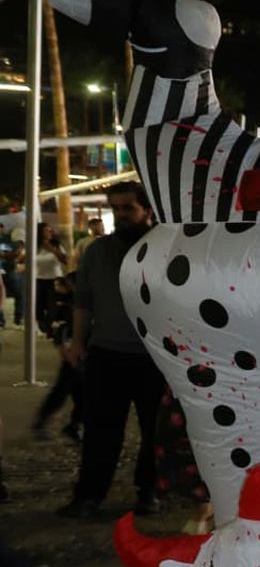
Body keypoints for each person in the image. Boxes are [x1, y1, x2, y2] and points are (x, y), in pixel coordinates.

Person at [58, 180, 165, 518]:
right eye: (115, 208)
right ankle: (89, 495)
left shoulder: (166, 248)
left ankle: (149, 491)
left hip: (155, 357)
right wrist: (77, 341)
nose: (120, 215)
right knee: (100, 430)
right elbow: (83, 301)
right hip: (106, 353)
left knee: (155, 431)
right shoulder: (97, 251)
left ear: (146, 210)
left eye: (127, 208)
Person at [33, 267, 84, 442]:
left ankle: (73, 425)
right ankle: (43, 421)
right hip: (74, 354)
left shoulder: (76, 302)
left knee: (80, 394)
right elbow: (60, 331)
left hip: (80, 354)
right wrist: (66, 351)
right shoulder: (70, 304)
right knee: (63, 392)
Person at [33, 221, 67, 332]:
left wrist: (52, 250)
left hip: (54, 279)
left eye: (50, 230)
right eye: (46, 231)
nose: (49, 232)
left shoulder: (56, 245)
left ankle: (49, 329)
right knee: (38, 306)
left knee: (52, 306)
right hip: (39, 279)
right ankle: (44, 327)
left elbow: (65, 260)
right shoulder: (35, 247)